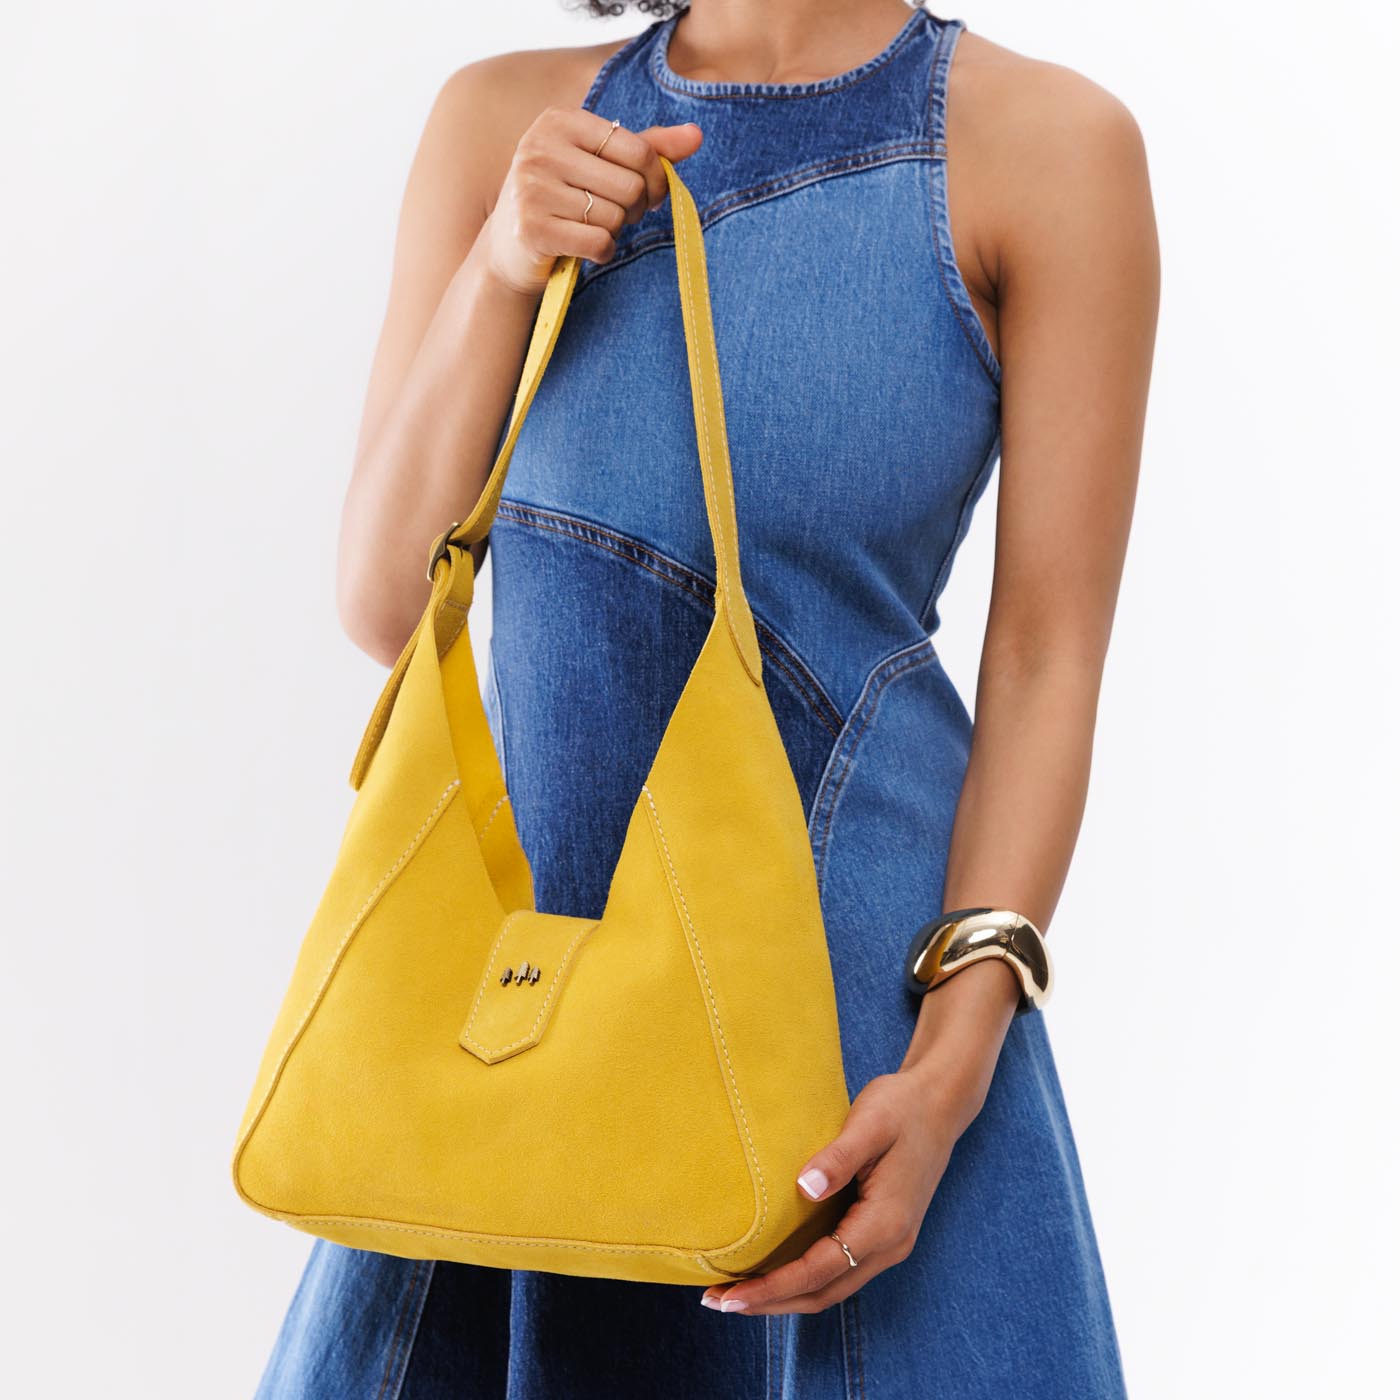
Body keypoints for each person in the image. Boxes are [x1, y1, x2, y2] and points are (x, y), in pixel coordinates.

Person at [253, 1, 1159, 1395]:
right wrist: (500, 270)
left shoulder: (1050, 148)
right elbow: (389, 602)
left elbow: (1048, 654)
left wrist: (952, 1068)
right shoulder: (502, 122)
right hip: (534, 1033)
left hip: (862, 1055)